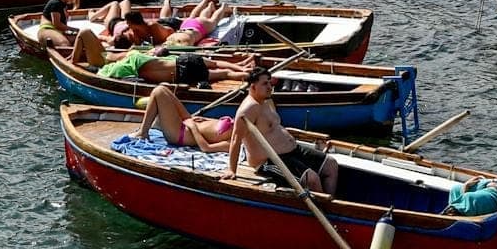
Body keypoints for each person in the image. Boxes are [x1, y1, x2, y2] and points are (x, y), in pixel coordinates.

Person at [225, 65, 338, 193]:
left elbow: (275, 127)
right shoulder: (248, 110)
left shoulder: (267, 101)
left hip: (292, 151)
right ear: (253, 87)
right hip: (269, 160)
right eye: (264, 84)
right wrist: (232, 170)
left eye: (269, 82)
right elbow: (236, 140)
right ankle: (325, 208)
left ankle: (330, 203)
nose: (269, 87)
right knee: (311, 179)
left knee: (330, 164)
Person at [66, 29, 255, 87]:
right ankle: (244, 67)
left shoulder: (124, 68)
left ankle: (246, 73)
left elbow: (113, 77)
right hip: (183, 61)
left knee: (222, 74)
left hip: (181, 75)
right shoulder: (135, 57)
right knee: (216, 65)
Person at [133, 83, 236, 152]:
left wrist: (194, 128)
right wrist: (201, 119)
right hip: (189, 121)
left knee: (158, 92)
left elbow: (206, 148)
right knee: (163, 88)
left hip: (181, 134)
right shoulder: (238, 125)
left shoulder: (234, 142)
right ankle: (149, 127)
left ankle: (143, 133)